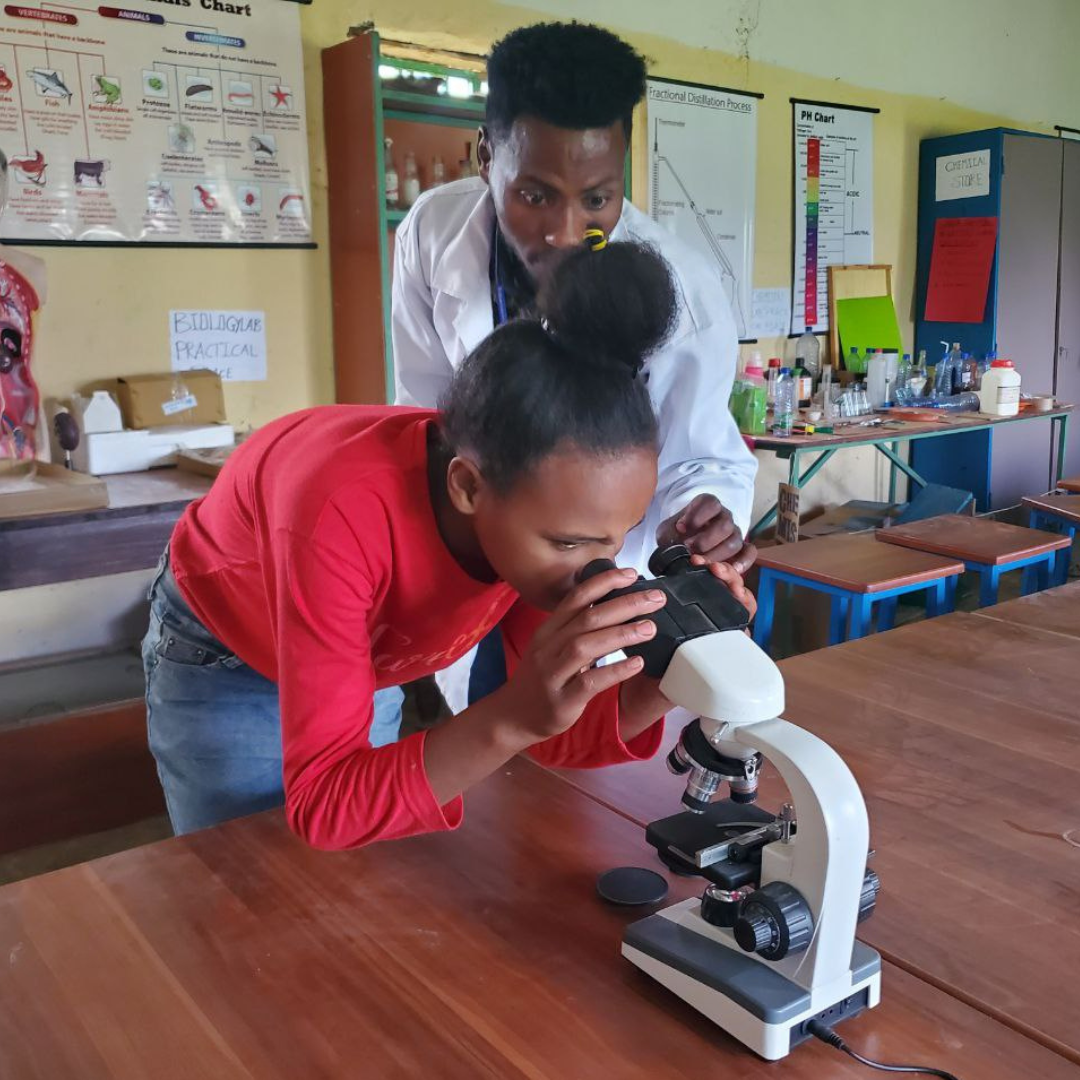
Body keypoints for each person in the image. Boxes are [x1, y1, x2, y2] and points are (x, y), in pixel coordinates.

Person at [142, 243, 756, 846]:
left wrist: (671, 674)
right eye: (571, 542)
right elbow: (328, 804)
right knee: (246, 875)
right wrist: (510, 716)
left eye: (621, 536)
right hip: (231, 647)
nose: (600, 569)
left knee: (349, 866)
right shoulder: (340, 517)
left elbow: (553, 729)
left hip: (363, 647)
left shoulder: (535, 528)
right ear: (467, 486)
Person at [388, 21, 759, 721]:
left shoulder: (683, 292)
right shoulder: (433, 233)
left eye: (596, 198)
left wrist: (701, 515)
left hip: (590, 573)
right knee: (481, 734)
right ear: (485, 155)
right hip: (473, 550)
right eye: (535, 195)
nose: (564, 231)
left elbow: (700, 456)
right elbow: (423, 411)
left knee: (584, 753)